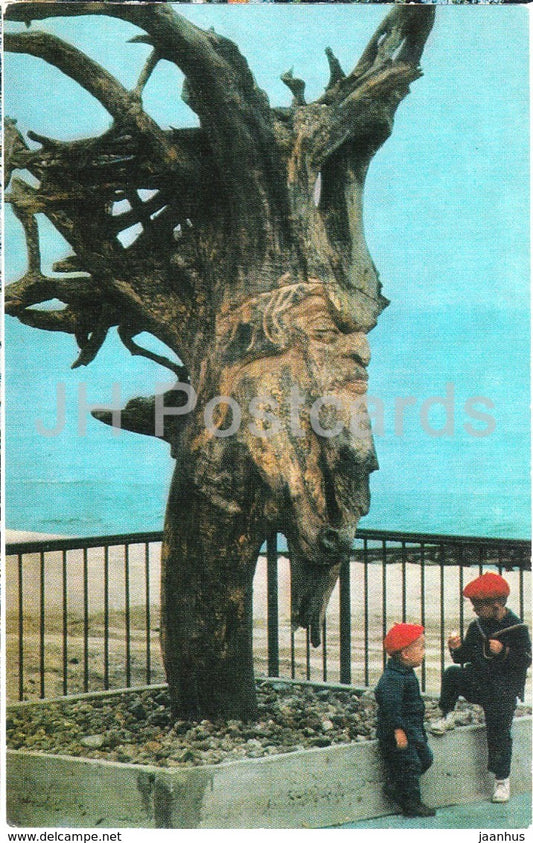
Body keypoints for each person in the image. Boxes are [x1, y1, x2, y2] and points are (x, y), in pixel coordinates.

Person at [430, 572, 531, 804]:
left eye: (478, 605)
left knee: (499, 732)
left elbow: (525, 659)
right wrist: (456, 648)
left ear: (496, 605)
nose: (474, 610)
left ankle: (502, 781)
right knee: (452, 674)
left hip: (503, 691)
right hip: (480, 683)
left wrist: (503, 652)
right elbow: (463, 658)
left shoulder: (517, 629)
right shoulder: (477, 627)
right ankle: (447, 714)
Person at [375, 623, 436, 817]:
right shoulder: (393, 678)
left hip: (412, 729)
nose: (424, 652)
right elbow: (389, 707)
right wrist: (398, 730)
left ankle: (395, 785)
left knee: (425, 758)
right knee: (409, 764)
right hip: (399, 732)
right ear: (406, 654)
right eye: (421, 648)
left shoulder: (405, 672)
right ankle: (411, 804)